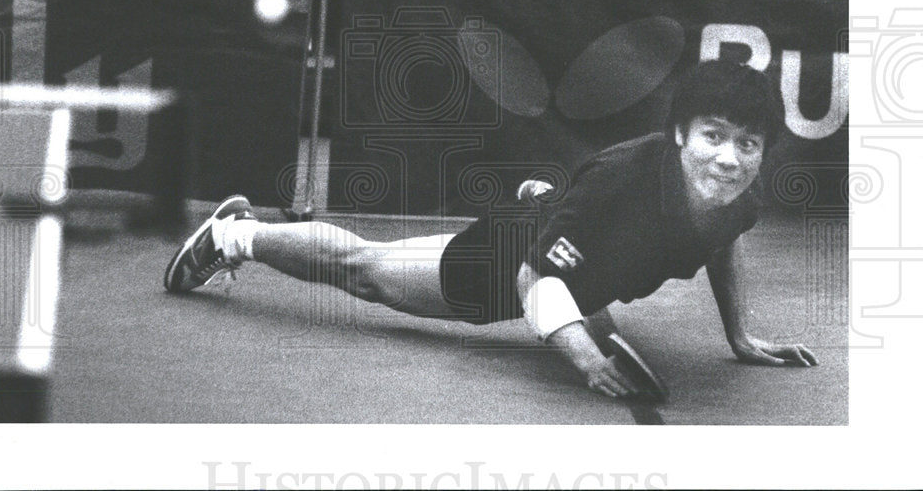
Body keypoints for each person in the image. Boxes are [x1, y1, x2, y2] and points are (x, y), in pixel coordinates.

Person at [164, 60, 819, 398]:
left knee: (384, 257)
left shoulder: (739, 195)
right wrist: (587, 360)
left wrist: (740, 334)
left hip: (556, 228)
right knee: (366, 271)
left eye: (747, 143)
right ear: (681, 133)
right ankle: (232, 236)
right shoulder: (625, 180)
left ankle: (241, 230)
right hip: (505, 260)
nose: (729, 158)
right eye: (712, 136)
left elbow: (723, 239)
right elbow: (535, 275)